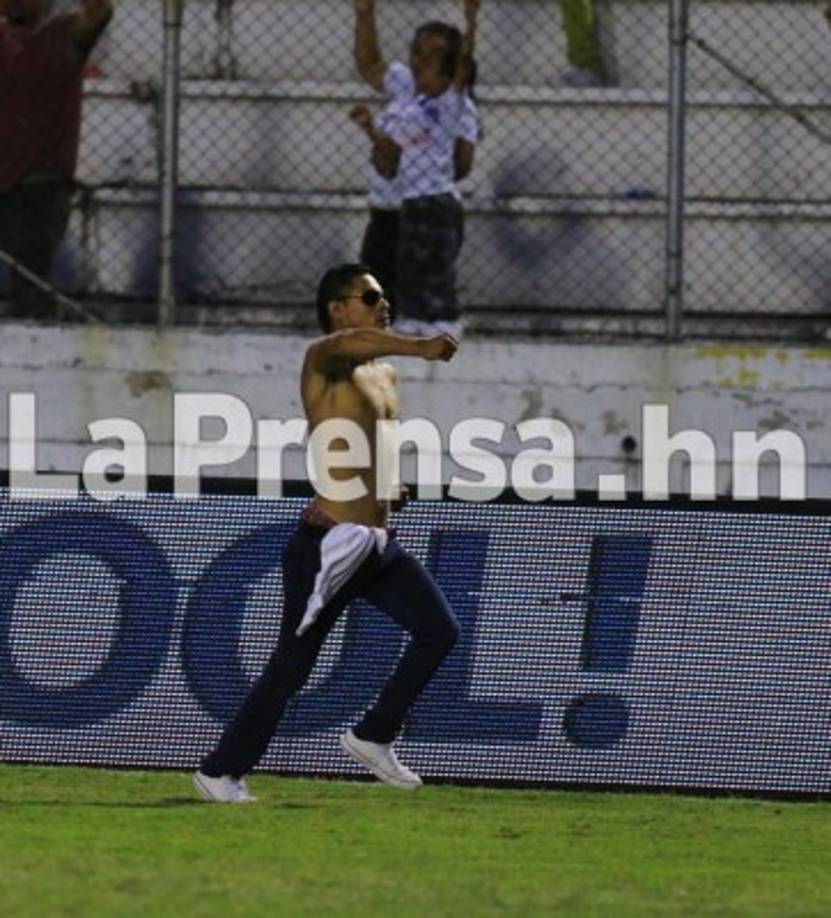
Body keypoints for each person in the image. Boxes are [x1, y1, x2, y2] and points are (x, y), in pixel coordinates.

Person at [194, 263, 460, 803]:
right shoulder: (325, 357)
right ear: (338, 308)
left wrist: (389, 488)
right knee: (292, 666)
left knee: (440, 631)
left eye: (383, 295)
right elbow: (354, 342)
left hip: (377, 543)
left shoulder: (382, 372)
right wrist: (423, 345)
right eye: (369, 296)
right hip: (333, 543)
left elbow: (364, 448)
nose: (382, 302)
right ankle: (220, 772)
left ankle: (374, 734)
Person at [352, 0, 479, 338]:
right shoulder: (407, 83)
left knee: (427, 273)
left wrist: (422, 168)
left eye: (431, 55)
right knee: (381, 289)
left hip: (420, 202)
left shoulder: (455, 105)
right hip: (388, 208)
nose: (418, 61)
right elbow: (369, 64)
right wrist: (365, 15)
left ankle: (439, 323)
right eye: (415, 51)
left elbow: (462, 164)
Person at [0, 0, 112, 320]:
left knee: (30, 276)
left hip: (39, 184)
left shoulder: (65, 36)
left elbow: (101, 12)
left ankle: (35, 334)